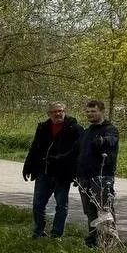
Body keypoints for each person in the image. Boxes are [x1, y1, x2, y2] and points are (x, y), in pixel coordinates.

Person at [22, 102, 83, 239]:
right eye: (54, 111)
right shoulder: (43, 127)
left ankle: (56, 234)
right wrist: (28, 166)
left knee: (61, 206)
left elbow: (79, 152)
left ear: (65, 111)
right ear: (49, 114)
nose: (57, 114)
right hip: (43, 172)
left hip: (62, 174)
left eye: (60, 111)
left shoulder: (75, 128)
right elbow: (35, 147)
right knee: (38, 204)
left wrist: (77, 173)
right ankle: (39, 231)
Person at [76, 98, 121, 248]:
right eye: (88, 111)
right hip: (84, 177)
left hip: (101, 176)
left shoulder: (110, 129)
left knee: (104, 211)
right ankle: (93, 242)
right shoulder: (86, 132)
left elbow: (110, 141)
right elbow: (78, 152)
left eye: (93, 111)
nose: (90, 114)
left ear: (102, 111)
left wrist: (102, 141)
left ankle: (109, 244)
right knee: (90, 212)